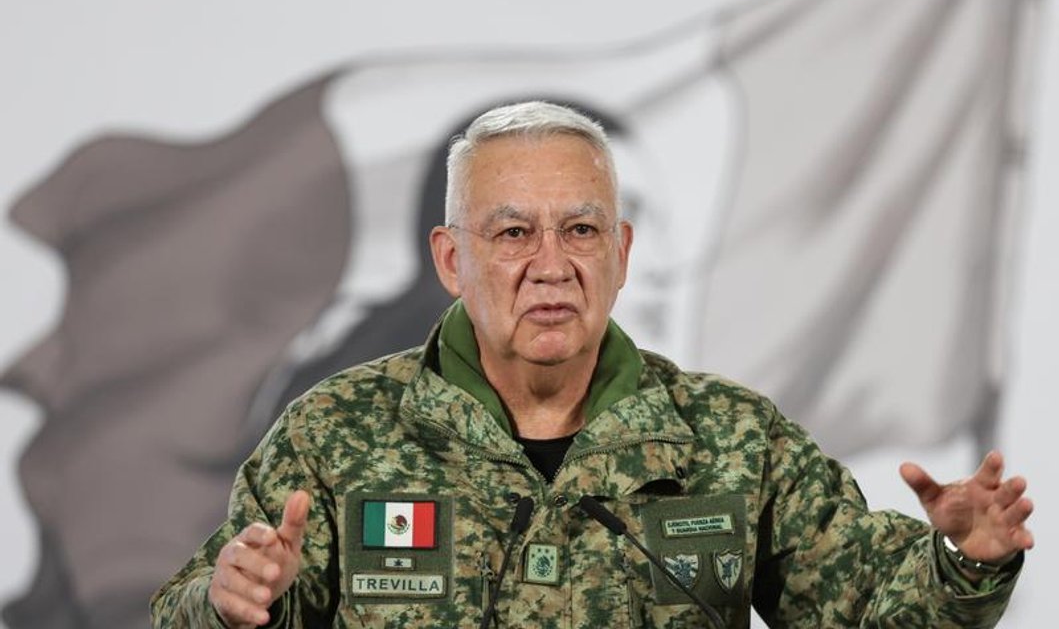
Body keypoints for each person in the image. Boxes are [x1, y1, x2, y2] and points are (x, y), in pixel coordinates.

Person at [151, 101, 1033, 628]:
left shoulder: (730, 439)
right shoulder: (336, 433)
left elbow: (868, 609)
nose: (551, 265)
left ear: (620, 253)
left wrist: (960, 559)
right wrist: (228, 608)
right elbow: (200, 607)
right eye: (511, 233)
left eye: (580, 230)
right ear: (451, 259)